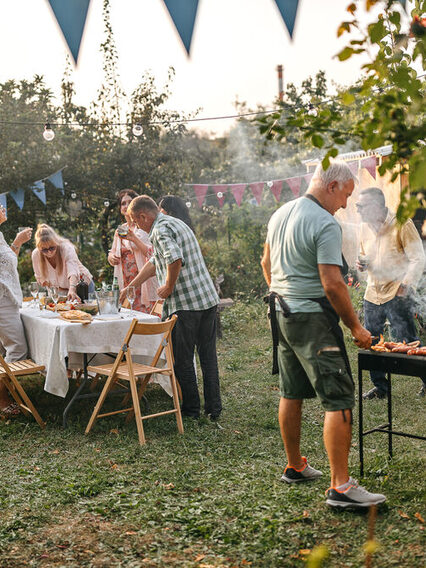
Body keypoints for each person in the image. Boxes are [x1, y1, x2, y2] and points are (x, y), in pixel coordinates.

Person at [261, 160, 386, 509]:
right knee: (340, 396)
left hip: (281, 315)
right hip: (312, 318)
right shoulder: (324, 222)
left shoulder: (280, 213)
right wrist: (357, 327)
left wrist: (285, 291)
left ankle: (295, 465)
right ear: (332, 186)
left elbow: (266, 264)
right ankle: (341, 487)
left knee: (292, 390)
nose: (346, 204)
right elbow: (332, 283)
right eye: (346, 195)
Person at [119, 195, 222, 420]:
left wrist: (167, 285)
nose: (138, 227)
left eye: (136, 222)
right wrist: (132, 285)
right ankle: (214, 409)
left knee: (182, 360)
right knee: (208, 357)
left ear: (143, 216)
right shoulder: (175, 222)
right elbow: (157, 260)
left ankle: (191, 411)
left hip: (186, 305)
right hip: (207, 300)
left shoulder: (158, 230)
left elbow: (174, 259)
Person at [356, 187, 426, 399]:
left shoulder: (402, 224)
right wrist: (361, 264)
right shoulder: (364, 228)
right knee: (372, 341)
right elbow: (363, 255)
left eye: (361, 206)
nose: (358, 210)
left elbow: (418, 257)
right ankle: (380, 387)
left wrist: (406, 284)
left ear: (376, 206)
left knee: (408, 340)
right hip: (372, 293)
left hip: (397, 292)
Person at [0, 204, 31, 416]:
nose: (3, 206)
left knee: (2, 351)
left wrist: (17, 243)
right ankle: (1, 398)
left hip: (8, 298)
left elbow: (6, 265)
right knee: (18, 349)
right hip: (1, 300)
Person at [108, 189, 159, 313]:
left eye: (129, 202)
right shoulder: (120, 230)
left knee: (146, 316)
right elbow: (112, 253)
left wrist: (134, 238)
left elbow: (153, 255)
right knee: (128, 315)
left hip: (143, 281)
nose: (126, 206)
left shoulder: (144, 226)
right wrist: (110, 257)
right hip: (126, 281)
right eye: (123, 203)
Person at [32, 224, 93, 302]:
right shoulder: (36, 254)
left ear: (56, 243)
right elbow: (40, 278)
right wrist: (52, 288)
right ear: (39, 248)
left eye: (52, 248)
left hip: (82, 286)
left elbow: (73, 271)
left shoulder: (66, 248)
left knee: (86, 312)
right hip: (62, 292)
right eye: (44, 250)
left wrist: (72, 289)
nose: (49, 252)